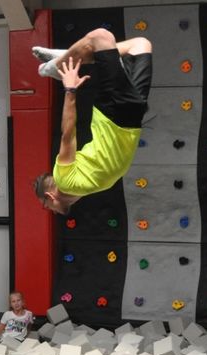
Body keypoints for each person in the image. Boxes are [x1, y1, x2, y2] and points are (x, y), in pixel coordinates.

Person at [32, 28, 152, 215]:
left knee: (101, 37)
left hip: (113, 116)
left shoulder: (64, 181)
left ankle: (58, 66)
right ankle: (70, 57)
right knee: (140, 45)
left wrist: (70, 89)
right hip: (133, 119)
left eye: (46, 206)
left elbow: (68, 135)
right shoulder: (79, 190)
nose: (51, 211)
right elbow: (69, 201)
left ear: (50, 196)